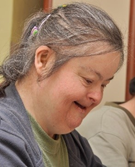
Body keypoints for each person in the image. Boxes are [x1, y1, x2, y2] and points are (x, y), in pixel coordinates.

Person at [0, 2, 124, 167]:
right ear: (44, 60)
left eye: (103, 85)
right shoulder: (4, 138)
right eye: (88, 80)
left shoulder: (73, 143)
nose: (97, 97)